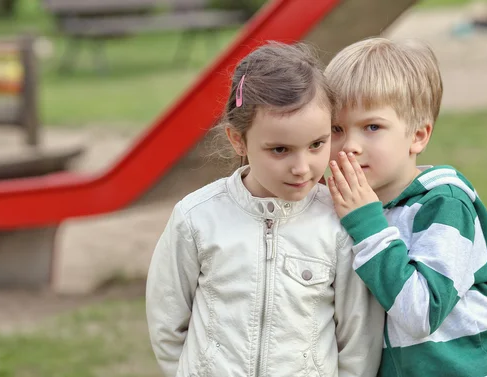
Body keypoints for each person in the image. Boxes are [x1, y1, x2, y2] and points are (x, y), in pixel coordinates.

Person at [145, 41, 384, 377]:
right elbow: (167, 320)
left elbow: (359, 338)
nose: (302, 167)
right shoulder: (196, 218)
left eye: (317, 144)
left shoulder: (338, 221)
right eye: (280, 149)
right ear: (238, 140)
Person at [324, 37, 487, 377]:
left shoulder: (445, 205)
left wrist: (367, 226)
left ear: (418, 136)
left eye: (372, 127)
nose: (349, 145)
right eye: (336, 129)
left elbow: (422, 314)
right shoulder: (349, 203)